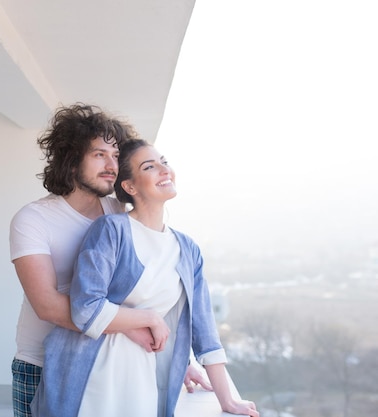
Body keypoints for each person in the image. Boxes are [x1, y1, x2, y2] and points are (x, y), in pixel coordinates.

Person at [31, 139, 260, 417]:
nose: (164, 170)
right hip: (93, 369)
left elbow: (205, 330)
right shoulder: (111, 230)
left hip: (144, 372)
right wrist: (150, 318)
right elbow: (85, 306)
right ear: (130, 186)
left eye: (164, 161)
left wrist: (228, 401)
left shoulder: (187, 249)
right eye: (150, 166)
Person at [9, 104, 210, 417]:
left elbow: (146, 287)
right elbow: (47, 304)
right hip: (41, 361)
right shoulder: (33, 219)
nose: (111, 164)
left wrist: (177, 357)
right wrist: (136, 325)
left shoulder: (117, 213)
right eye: (99, 154)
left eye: (116, 155)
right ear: (71, 159)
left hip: (105, 361)